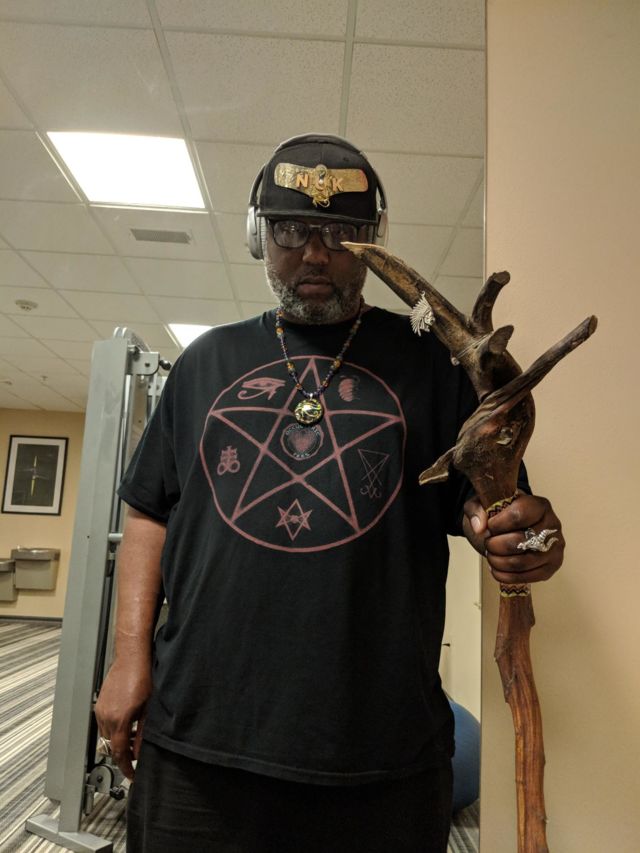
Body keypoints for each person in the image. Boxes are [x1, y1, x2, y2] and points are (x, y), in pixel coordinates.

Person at [95, 134, 564, 853]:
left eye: (342, 233)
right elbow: (149, 511)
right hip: (199, 741)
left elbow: (491, 509)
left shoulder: (435, 368)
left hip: (380, 753)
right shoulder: (205, 362)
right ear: (258, 234)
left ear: (375, 240)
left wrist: (522, 536)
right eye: (291, 228)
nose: (316, 253)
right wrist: (130, 656)